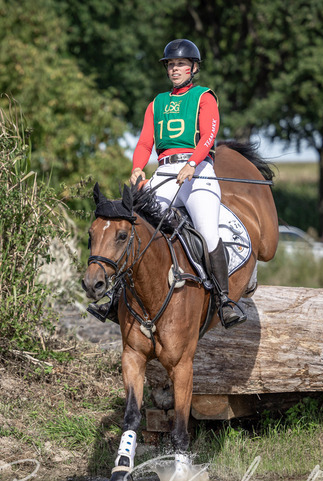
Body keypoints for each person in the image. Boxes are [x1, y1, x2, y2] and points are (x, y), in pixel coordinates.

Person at [89, 38, 245, 329]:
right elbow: (144, 142)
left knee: (208, 233)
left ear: (193, 68)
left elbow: (209, 136)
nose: (175, 69)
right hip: (164, 173)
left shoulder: (204, 97)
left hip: (198, 171)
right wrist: (137, 167)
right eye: (171, 64)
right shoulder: (157, 103)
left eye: (181, 64)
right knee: (137, 229)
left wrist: (192, 163)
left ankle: (225, 301)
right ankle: (115, 298)